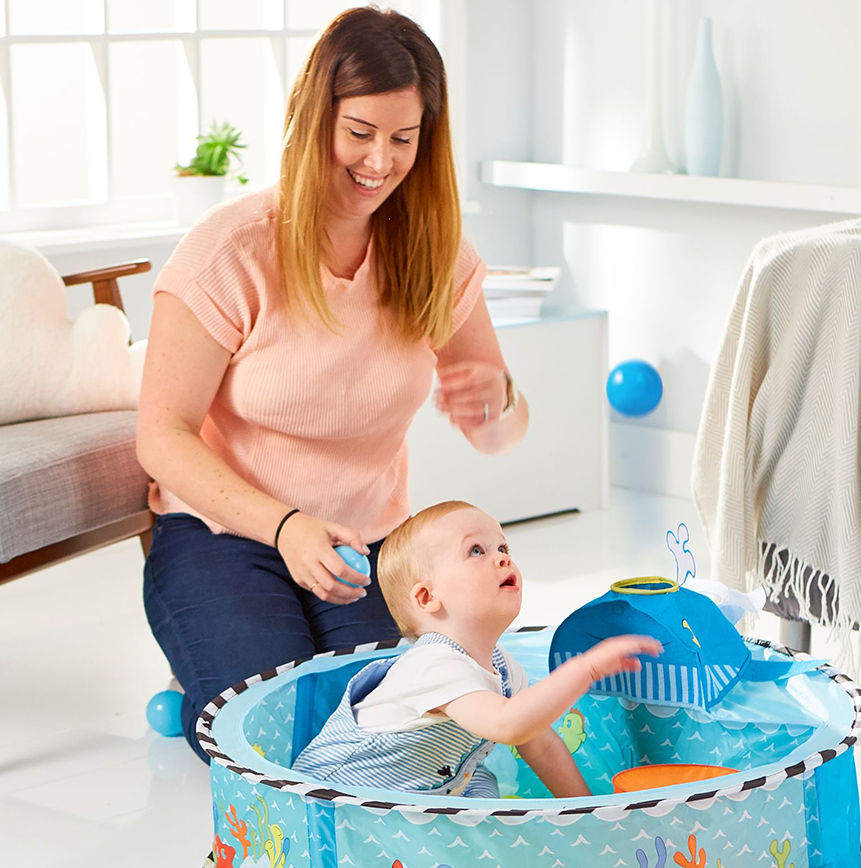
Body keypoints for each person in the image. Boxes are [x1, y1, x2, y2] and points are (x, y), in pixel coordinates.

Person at [136, 8, 529, 762]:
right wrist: (285, 528)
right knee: (270, 736)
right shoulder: (230, 251)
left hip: (369, 543)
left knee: (399, 729)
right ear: (315, 120)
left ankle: (223, 653)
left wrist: (498, 402)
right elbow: (162, 436)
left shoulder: (436, 256)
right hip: (228, 533)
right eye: (360, 133)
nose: (380, 161)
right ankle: (207, 651)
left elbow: (500, 432)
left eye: (403, 139)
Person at [292, 501, 662, 798]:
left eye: (503, 547)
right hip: (340, 800)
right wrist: (586, 670)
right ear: (427, 596)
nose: (503, 557)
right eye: (476, 550)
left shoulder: (502, 667)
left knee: (482, 791)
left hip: (433, 787)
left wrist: (585, 811)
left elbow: (541, 744)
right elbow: (508, 724)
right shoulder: (432, 664)